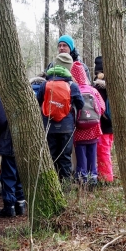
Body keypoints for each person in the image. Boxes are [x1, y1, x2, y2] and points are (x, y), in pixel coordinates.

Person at [35, 53, 84, 182]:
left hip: (48, 126)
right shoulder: (72, 85)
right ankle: (65, 187)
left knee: (49, 157)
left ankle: (50, 186)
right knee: (65, 158)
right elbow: (81, 104)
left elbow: (38, 101)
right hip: (66, 127)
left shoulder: (45, 84)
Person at [0, 96, 26, 218]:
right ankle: (20, 204)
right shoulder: (28, 95)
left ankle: (9, 207)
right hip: (25, 143)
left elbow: (0, 120)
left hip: (9, 141)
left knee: (8, 175)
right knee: (20, 174)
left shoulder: (6, 97)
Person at [74, 63, 105, 185]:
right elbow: (101, 108)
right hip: (94, 129)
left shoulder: (74, 90)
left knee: (81, 155)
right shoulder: (93, 90)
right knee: (92, 153)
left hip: (79, 130)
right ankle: (93, 177)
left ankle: (82, 178)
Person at [93, 56, 114, 183]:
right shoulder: (113, 86)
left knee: (103, 152)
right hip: (111, 125)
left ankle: (106, 179)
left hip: (103, 125)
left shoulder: (98, 87)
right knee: (106, 150)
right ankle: (106, 175)